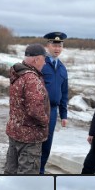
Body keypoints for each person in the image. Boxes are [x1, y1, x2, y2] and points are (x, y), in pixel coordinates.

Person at [4, 43, 51, 174]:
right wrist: (45, 121)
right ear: (36, 59)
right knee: (28, 174)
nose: (45, 63)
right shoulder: (31, 79)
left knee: (11, 170)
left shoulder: (18, 74)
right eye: (44, 59)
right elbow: (34, 110)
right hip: (29, 137)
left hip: (15, 131)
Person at [40, 31, 69, 174]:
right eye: (54, 45)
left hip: (53, 110)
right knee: (34, 142)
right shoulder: (40, 63)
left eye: (60, 45)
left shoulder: (63, 68)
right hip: (39, 109)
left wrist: (64, 115)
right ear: (47, 45)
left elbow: (64, 93)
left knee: (47, 144)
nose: (57, 49)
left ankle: (40, 171)